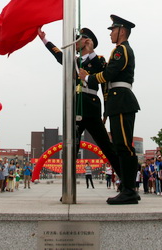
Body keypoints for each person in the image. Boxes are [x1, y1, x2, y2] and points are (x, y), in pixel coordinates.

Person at [38, 28, 121, 180]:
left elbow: (102, 75)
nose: (75, 42)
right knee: (71, 146)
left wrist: (106, 112)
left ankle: (125, 180)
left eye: (79, 39)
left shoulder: (99, 59)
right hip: (76, 106)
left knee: (106, 146)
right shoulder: (74, 61)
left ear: (87, 41)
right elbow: (58, 55)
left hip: (91, 106)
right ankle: (69, 182)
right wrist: (44, 40)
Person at [79, 15, 140, 205]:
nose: (111, 33)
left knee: (124, 147)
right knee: (121, 146)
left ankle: (129, 190)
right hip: (117, 101)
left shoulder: (122, 50)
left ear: (122, 31)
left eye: (113, 30)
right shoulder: (119, 50)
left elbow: (109, 73)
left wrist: (87, 78)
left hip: (121, 100)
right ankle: (128, 188)